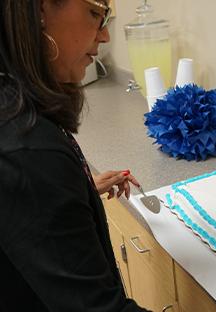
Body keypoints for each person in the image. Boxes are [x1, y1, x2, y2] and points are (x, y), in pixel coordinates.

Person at [0, 0, 150, 311]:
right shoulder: (27, 149)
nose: (105, 35)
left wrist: (74, 190)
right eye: (95, 14)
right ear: (41, 11)